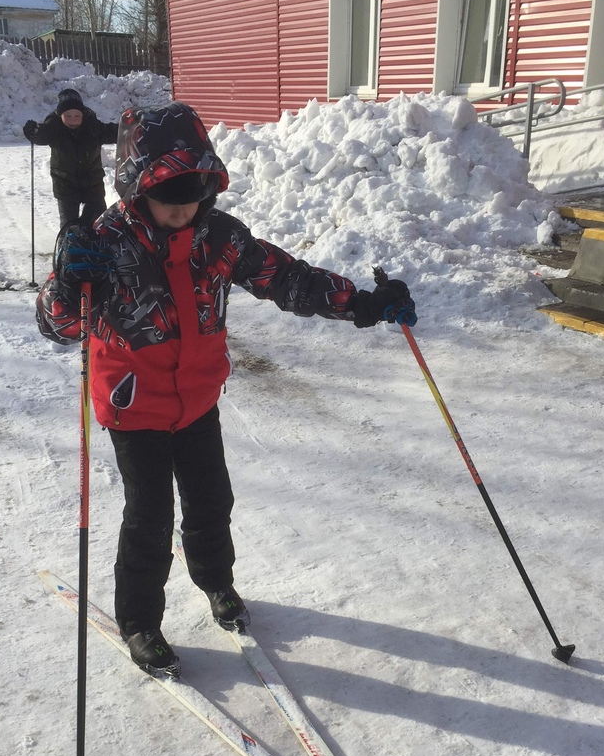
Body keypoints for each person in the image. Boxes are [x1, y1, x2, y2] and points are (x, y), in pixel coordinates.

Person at [36, 101, 416, 676]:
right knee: (151, 515)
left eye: (195, 191)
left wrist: (361, 303)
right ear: (136, 188)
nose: (183, 207)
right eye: (169, 194)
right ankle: (140, 620)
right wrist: (66, 281)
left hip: (198, 400)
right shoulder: (104, 242)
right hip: (134, 406)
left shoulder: (219, 235)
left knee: (212, 500)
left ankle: (215, 581)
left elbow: (286, 279)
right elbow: (60, 327)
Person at [23, 88, 119, 228]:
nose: (73, 120)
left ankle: (91, 244)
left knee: (98, 222)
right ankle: (68, 246)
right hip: (65, 185)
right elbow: (43, 135)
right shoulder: (54, 127)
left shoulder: (92, 126)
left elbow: (112, 131)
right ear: (60, 115)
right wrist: (34, 132)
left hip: (93, 183)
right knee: (69, 226)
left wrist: (130, 126)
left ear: (83, 114)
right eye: (68, 116)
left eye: (77, 116)